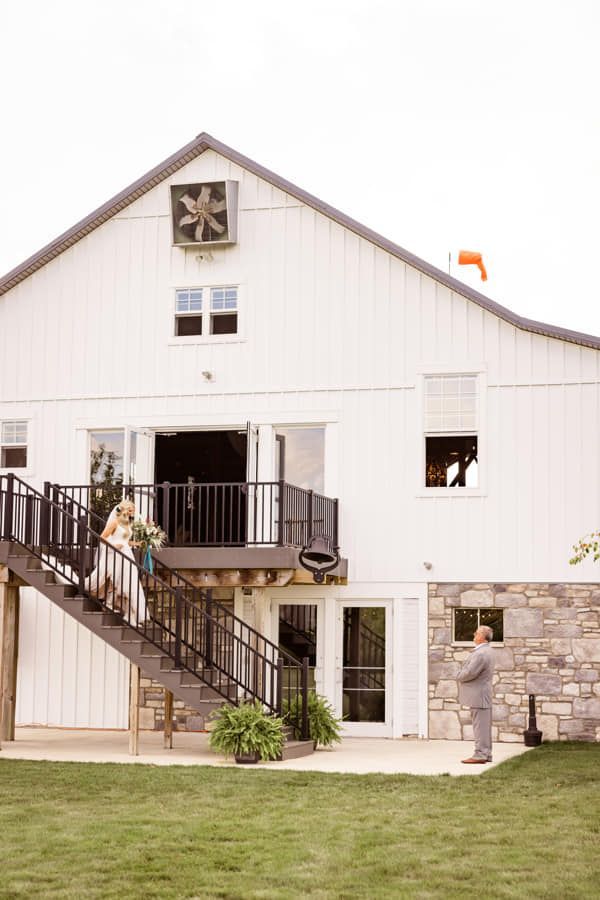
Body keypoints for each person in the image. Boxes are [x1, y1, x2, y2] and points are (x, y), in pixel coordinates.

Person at [87, 499, 148, 627]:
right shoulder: (114, 522)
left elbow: (125, 541)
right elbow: (102, 537)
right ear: (124, 509)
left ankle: (130, 616)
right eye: (130, 510)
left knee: (130, 584)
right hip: (115, 553)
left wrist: (137, 543)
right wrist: (115, 546)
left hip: (126, 555)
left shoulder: (128, 523)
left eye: (133, 511)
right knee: (118, 581)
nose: (132, 513)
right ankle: (110, 604)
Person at [457, 624, 495, 763]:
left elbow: (470, 673)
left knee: (480, 727)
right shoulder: (487, 650)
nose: (474, 634)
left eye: (477, 633)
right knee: (483, 726)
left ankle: (480, 755)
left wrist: (458, 675)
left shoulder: (481, 653)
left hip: (479, 696)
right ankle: (486, 754)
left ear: (483, 638)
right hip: (481, 695)